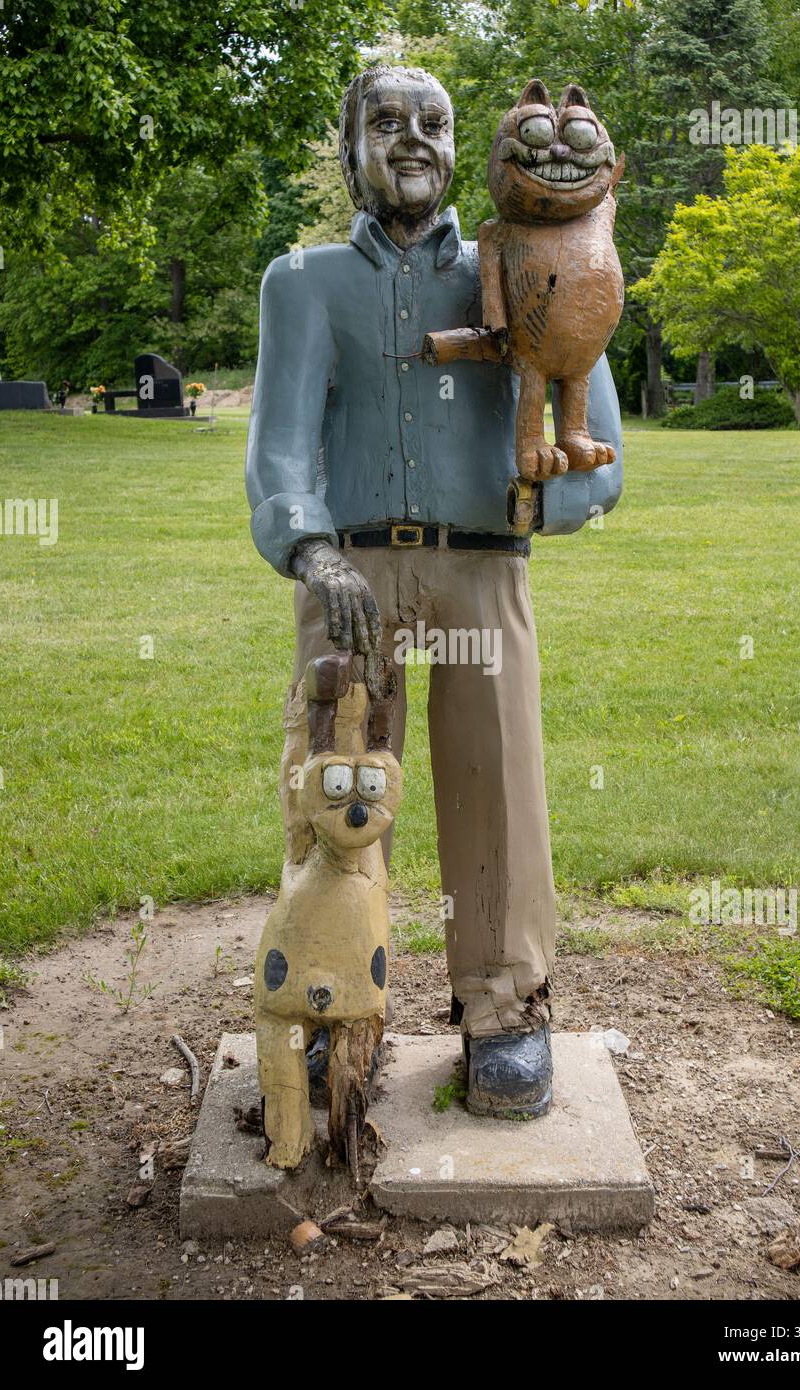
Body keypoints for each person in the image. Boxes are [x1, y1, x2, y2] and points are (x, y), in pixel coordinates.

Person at [245, 64, 622, 1118]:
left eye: (433, 122)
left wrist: (539, 506)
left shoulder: (534, 258)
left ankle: (503, 1007)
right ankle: (332, 992)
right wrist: (311, 551)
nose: (410, 139)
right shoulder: (304, 281)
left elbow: (603, 456)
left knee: (495, 775)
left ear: (464, 144)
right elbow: (279, 451)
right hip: (349, 567)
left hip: (483, 561)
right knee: (338, 778)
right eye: (384, 121)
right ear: (348, 143)